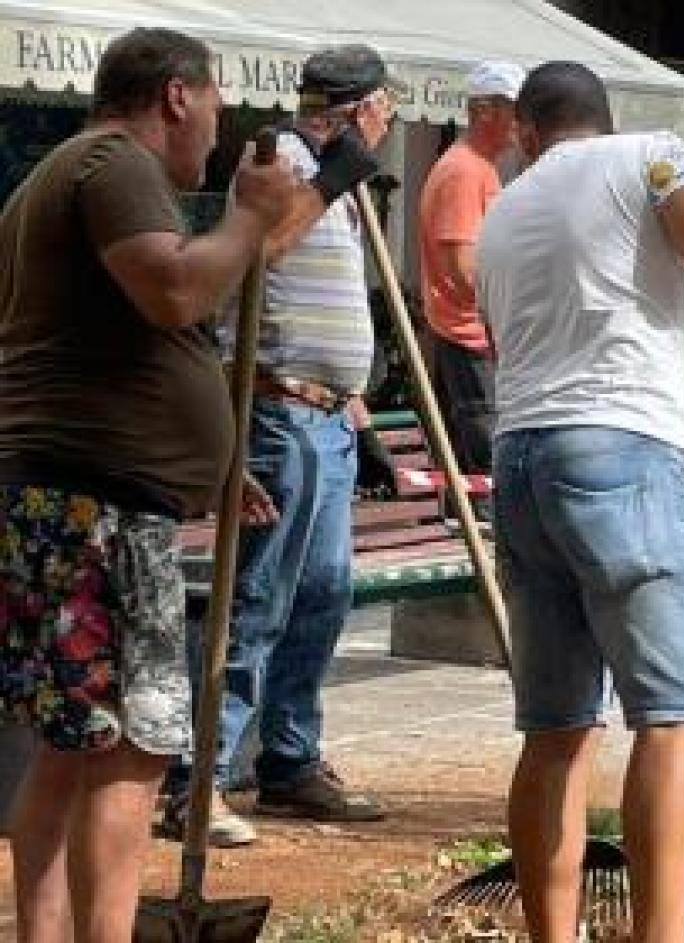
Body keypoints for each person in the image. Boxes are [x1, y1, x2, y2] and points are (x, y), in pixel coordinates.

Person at [476, 62, 684, 942]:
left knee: (555, 731)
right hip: (626, 448)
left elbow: (506, 339)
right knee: (676, 717)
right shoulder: (652, 156)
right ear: (603, 120)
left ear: (529, 132)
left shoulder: (503, 210)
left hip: (524, 463)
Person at [0, 27, 294, 940]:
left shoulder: (65, 174)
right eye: (213, 103)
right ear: (176, 95)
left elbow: (139, 340)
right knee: (130, 750)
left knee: (66, 746)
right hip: (97, 511)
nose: (216, 126)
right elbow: (176, 291)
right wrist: (246, 214)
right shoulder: (113, 164)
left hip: (70, 497)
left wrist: (213, 457)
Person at [163, 43, 401, 847]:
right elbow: (255, 252)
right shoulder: (280, 160)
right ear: (362, 108)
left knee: (323, 593)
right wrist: (335, 173)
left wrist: (359, 411)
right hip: (277, 413)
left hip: (329, 418)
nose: (392, 121)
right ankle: (195, 779)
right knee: (257, 597)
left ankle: (291, 760)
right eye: (385, 107)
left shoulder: (345, 182)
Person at [418, 60, 524, 491]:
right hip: (470, 338)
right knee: (487, 467)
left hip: (475, 337)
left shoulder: (477, 168)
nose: (522, 123)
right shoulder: (465, 170)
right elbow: (461, 269)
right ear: (484, 111)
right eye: (515, 110)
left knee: (486, 461)